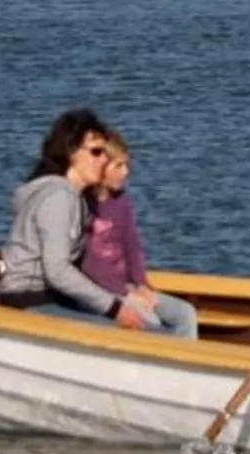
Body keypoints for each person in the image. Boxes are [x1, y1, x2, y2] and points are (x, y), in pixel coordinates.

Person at [0, 108, 171, 333]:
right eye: (96, 152)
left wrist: (133, 289)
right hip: (31, 300)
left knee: (149, 323)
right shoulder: (59, 197)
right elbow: (57, 271)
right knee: (150, 332)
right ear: (71, 153)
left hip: (55, 298)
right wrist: (114, 308)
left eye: (105, 152)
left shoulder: (76, 198)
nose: (103, 159)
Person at [78, 131, 199, 339]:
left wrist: (142, 285)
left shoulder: (121, 201)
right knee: (150, 321)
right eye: (119, 166)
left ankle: (188, 357)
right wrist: (127, 293)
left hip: (127, 286)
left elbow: (132, 247)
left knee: (185, 314)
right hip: (101, 291)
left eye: (127, 165)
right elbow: (89, 263)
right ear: (102, 166)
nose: (126, 172)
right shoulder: (81, 205)